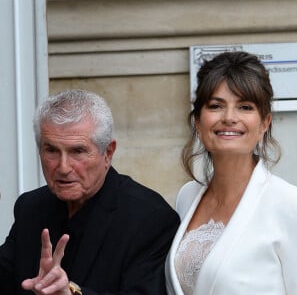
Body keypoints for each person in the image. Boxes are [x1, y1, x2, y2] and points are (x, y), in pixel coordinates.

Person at [0, 89, 180, 295]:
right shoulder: (30, 207)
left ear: (108, 153)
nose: (63, 167)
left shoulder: (150, 219)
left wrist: (70, 292)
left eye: (77, 151)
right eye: (51, 151)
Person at [165, 51, 297, 294]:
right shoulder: (187, 196)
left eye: (245, 107)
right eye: (216, 106)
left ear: (264, 123)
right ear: (198, 120)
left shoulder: (291, 204)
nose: (229, 118)